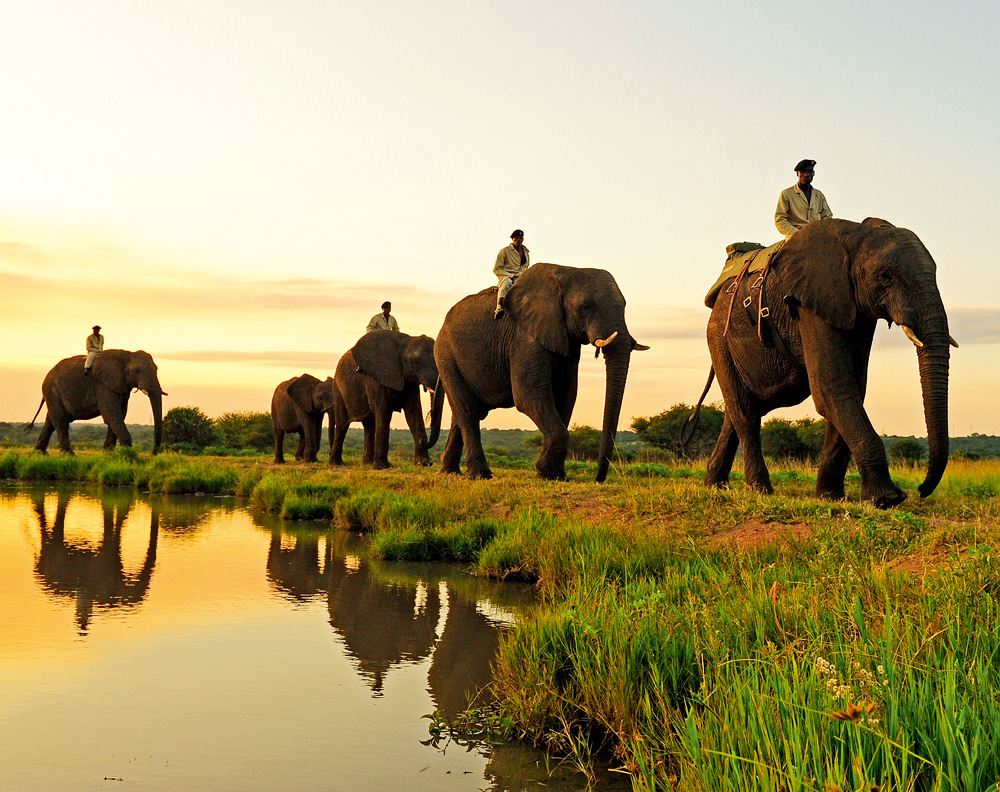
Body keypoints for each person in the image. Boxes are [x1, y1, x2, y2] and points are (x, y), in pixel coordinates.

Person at [774, 159, 833, 238]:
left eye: (810, 172)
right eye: (803, 172)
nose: (807, 175)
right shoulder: (786, 194)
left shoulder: (819, 195)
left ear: (813, 174)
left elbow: (827, 217)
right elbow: (779, 219)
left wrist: (820, 232)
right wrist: (797, 233)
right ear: (798, 174)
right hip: (795, 237)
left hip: (817, 237)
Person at [494, 229, 530, 318]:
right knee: (507, 283)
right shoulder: (504, 251)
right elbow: (496, 269)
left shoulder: (526, 252)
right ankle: (499, 307)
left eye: (520, 238)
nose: (518, 240)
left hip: (521, 276)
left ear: (523, 239)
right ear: (512, 239)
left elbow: (525, 267)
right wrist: (511, 275)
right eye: (516, 238)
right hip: (507, 275)